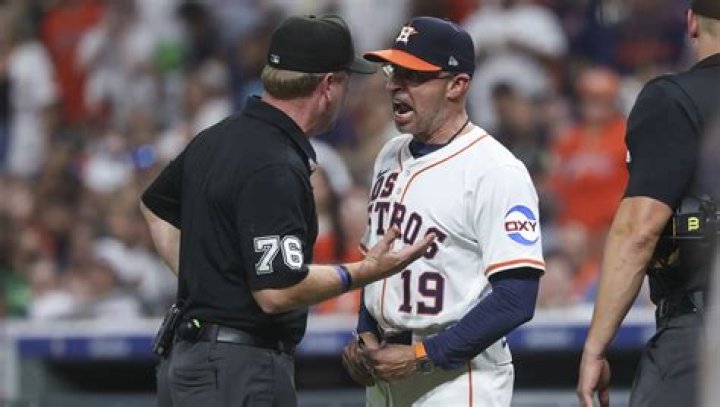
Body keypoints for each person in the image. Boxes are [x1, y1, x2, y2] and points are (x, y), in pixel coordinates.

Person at [140, 15, 435, 407]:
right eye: (346, 82)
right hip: (237, 368)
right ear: (328, 85)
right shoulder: (275, 162)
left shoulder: (216, 137)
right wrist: (365, 271)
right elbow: (277, 292)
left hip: (189, 361)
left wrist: (211, 282)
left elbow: (155, 208)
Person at [341, 16, 545, 406]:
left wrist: (423, 355)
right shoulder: (389, 155)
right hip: (387, 370)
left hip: (458, 374)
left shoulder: (495, 170)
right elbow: (375, 265)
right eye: (393, 72)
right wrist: (365, 335)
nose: (395, 85)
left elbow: (516, 297)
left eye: (413, 76)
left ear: (457, 85)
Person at [577, 1, 720, 406]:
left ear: (691, 23)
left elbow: (637, 231)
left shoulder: (672, 99)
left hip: (701, 330)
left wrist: (596, 346)